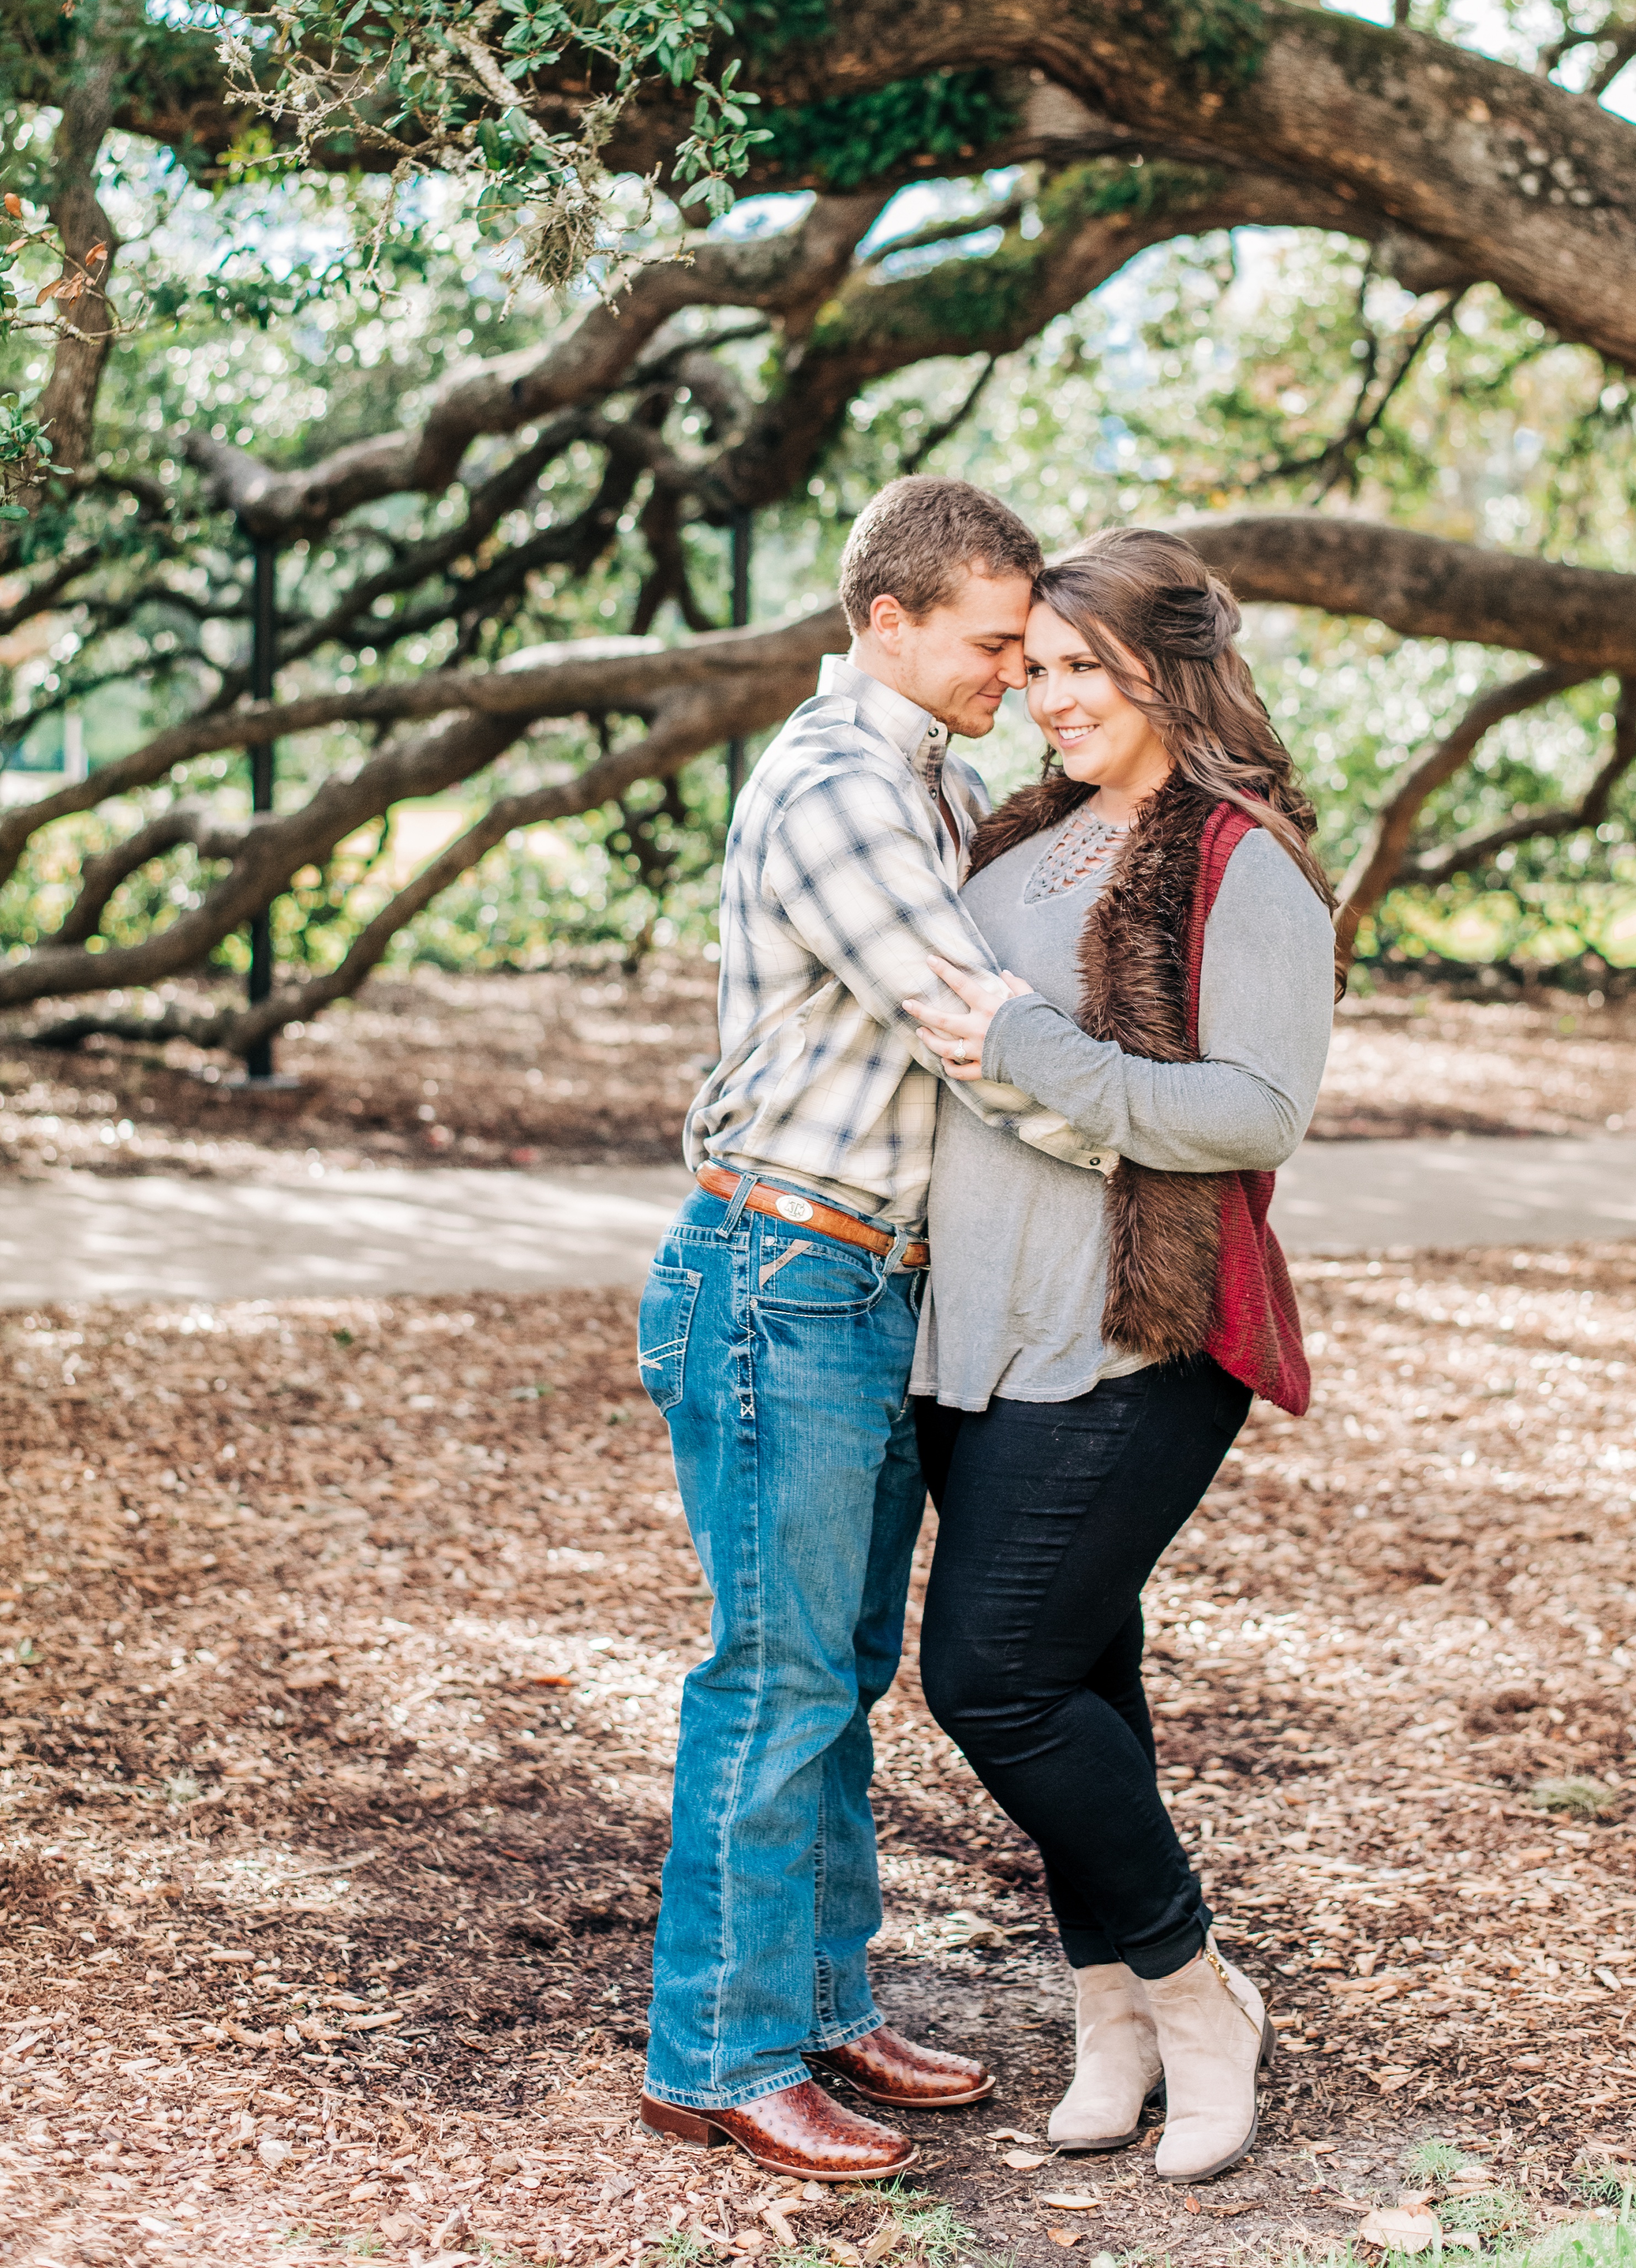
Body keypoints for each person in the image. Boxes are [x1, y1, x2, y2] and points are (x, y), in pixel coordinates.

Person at [634, 477, 1110, 2185]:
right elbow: (971, 1027)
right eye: (993, 642)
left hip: (856, 1282)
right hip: (781, 1271)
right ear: (887, 624)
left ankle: (820, 2001)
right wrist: (1165, 1124)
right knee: (774, 1674)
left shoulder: (937, 777)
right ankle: (722, 2050)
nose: (1019, 673)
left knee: (835, 1669)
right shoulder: (842, 785)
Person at [902, 526, 1336, 2187]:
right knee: (1080, 1679)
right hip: (977, 1329)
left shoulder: (1243, 863)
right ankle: (1112, 2020)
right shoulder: (1018, 841)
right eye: (1036, 665)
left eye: (1082, 665)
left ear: (1165, 667)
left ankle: (1197, 1991)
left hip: (1136, 1334)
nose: (1045, 694)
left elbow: (1253, 1108)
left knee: (991, 1676)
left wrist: (1034, 1049)